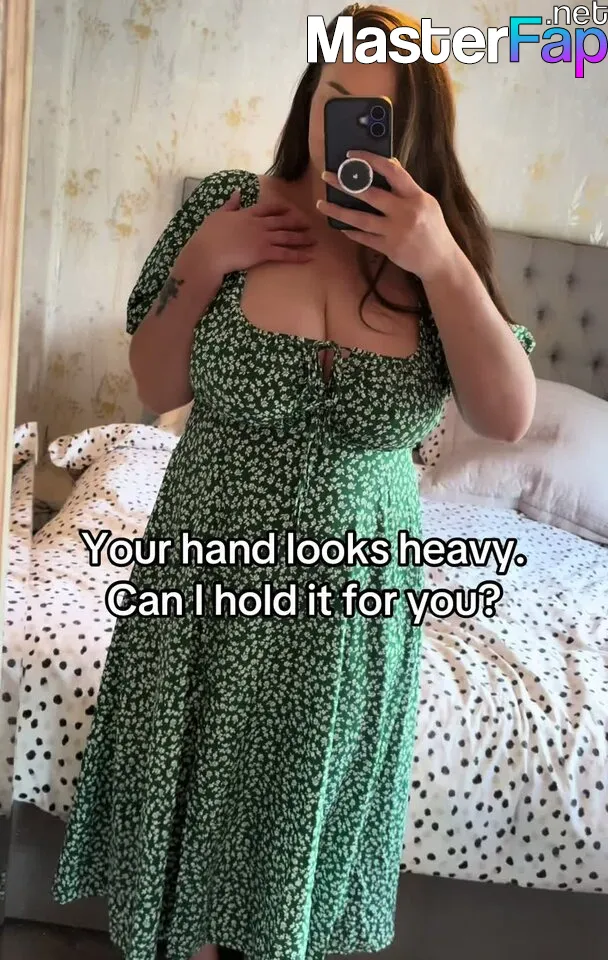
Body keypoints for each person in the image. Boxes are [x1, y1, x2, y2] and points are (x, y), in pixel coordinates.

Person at [52, 5, 536, 960]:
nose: (340, 126)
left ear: (412, 132)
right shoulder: (231, 206)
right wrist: (205, 263)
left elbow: (508, 415)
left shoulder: (436, 252)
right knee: (184, 824)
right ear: (309, 95)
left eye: (373, 113)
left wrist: (439, 260)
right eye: (332, 95)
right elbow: (156, 384)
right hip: (203, 581)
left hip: (346, 611)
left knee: (292, 838)